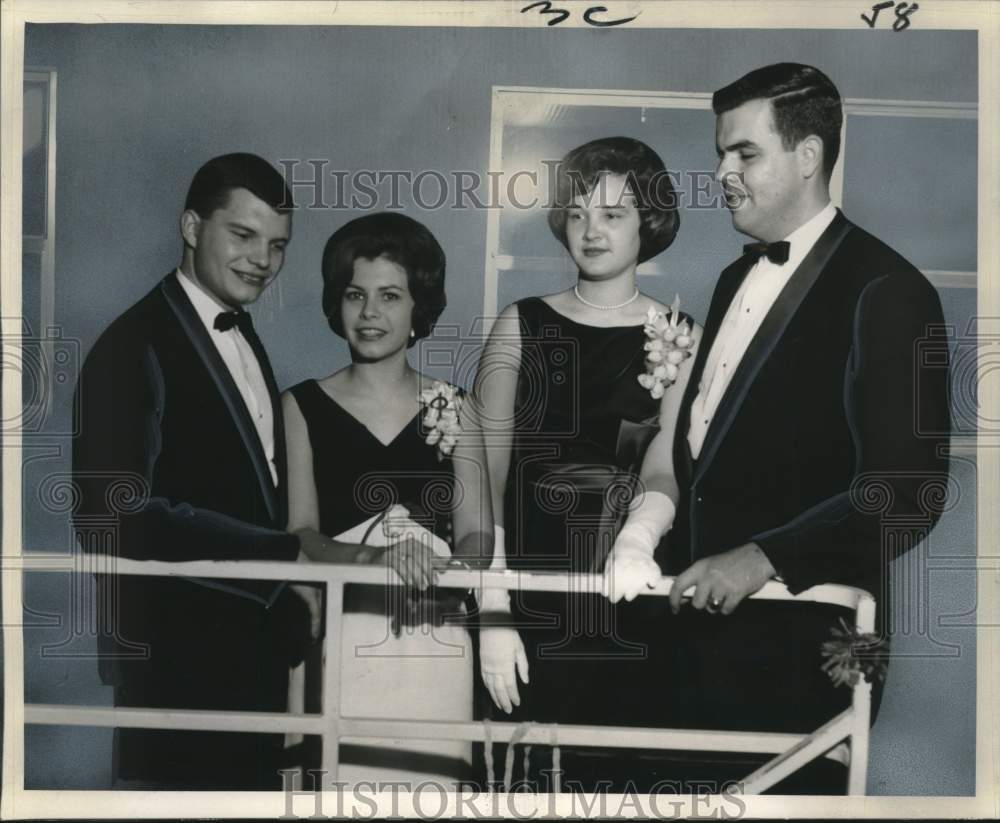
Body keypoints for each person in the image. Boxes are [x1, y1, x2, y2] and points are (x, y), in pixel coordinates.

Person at [609, 63, 952, 792]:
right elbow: (701, 456)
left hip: (801, 657)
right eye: (719, 153)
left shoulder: (892, 291)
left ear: (809, 157)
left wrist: (762, 556)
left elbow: (909, 489)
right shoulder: (733, 280)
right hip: (697, 657)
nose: (723, 172)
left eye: (744, 153)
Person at [72, 152, 323, 789]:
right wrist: (283, 555)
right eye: (243, 235)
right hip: (174, 661)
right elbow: (110, 515)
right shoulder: (131, 345)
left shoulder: (239, 332)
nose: (262, 260)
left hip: (252, 655)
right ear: (190, 227)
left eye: (278, 245)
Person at [473, 136, 697, 790]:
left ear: (647, 225)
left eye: (613, 214)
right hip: (528, 587)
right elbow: (482, 475)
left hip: (627, 589)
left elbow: (664, 465)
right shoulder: (520, 323)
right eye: (578, 212)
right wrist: (491, 606)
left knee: (621, 777)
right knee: (522, 779)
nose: (591, 230)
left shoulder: (680, 337)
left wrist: (637, 538)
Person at [282, 211, 493, 787]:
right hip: (344, 624)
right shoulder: (299, 406)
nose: (370, 313)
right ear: (337, 304)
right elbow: (300, 532)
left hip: (435, 626)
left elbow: (478, 534)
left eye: (390, 296)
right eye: (355, 295)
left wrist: (445, 571)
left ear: (417, 307)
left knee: (431, 783)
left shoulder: (457, 404)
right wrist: (371, 560)